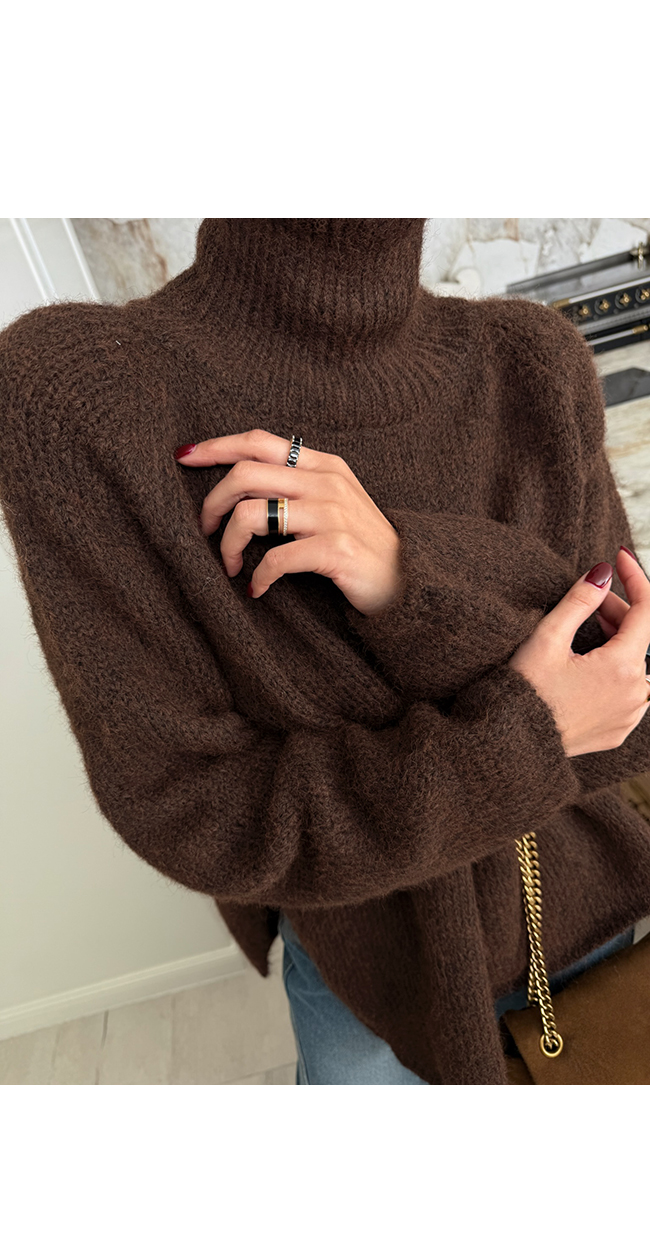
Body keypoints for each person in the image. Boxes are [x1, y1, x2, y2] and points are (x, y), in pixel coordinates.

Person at [1, 218, 650, 1085]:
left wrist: (407, 572)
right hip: (369, 986)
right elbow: (195, 811)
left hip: (593, 915)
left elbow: (630, 705)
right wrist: (532, 734)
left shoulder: (534, 362)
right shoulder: (85, 394)